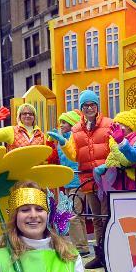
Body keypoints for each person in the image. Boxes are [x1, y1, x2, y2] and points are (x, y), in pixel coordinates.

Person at [48, 89, 113, 269]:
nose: (89, 108)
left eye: (92, 104)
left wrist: (108, 167)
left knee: (108, 216)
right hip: (89, 179)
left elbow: (114, 149)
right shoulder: (76, 129)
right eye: (85, 106)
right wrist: (63, 143)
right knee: (97, 218)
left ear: (97, 106)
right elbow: (75, 155)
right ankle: (100, 254)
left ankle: (111, 251)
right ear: (82, 108)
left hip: (107, 180)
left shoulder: (108, 124)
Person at [52, 110, 90, 258]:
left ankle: (80, 248)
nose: (61, 125)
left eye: (64, 122)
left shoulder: (75, 139)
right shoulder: (62, 139)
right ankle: (83, 246)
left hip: (77, 180)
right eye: (60, 122)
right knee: (77, 214)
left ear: (72, 124)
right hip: (68, 182)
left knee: (73, 215)